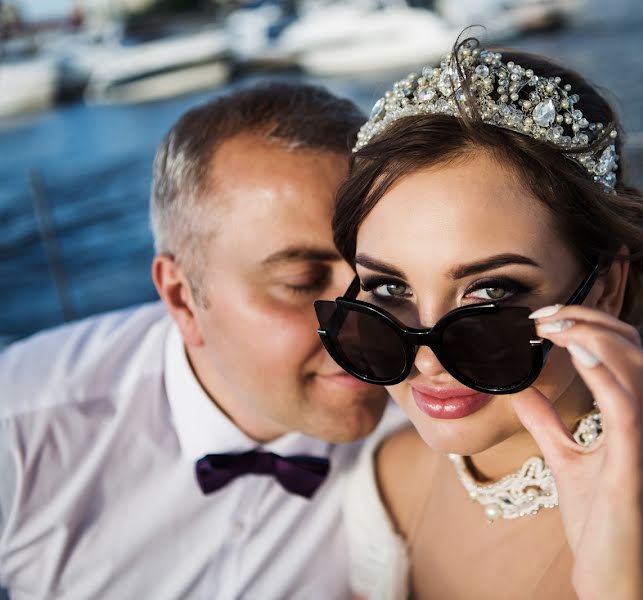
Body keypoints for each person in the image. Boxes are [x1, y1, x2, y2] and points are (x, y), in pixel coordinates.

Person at [317, 39, 643, 598]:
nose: (425, 359)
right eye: (390, 288)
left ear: (605, 287)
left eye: (490, 293)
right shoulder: (384, 472)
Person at [0, 83, 399, 598]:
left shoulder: (436, 403)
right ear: (183, 297)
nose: (367, 325)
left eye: (385, 281)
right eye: (302, 282)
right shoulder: (21, 429)